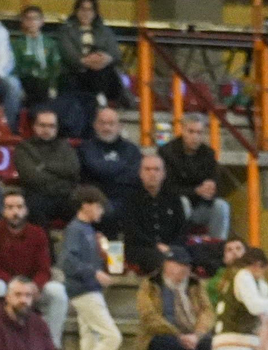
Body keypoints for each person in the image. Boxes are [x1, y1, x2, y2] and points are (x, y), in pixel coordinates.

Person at [0, 190, 67, 338]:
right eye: (10, 207)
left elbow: (44, 268)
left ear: (26, 210)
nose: (15, 212)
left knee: (57, 291)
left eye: (19, 207)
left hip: (33, 286)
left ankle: (53, 346)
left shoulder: (38, 233)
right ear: (2, 210)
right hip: (6, 284)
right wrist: (16, 286)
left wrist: (33, 286)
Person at [61, 186, 122, 350]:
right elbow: (68, 261)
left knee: (90, 338)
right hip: (84, 290)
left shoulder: (86, 230)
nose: (101, 211)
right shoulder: (76, 229)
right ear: (86, 206)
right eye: (98, 206)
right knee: (111, 336)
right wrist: (94, 273)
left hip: (87, 289)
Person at [138, 246, 215, 350]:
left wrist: (197, 335)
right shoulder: (151, 284)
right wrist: (178, 336)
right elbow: (149, 316)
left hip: (192, 337)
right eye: (180, 265)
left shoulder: (195, 284)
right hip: (163, 335)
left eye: (187, 265)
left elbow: (207, 312)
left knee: (212, 345)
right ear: (167, 265)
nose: (185, 269)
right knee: (167, 344)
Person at [159, 113, 232, 240]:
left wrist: (212, 187)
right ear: (182, 130)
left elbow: (217, 182)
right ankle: (178, 244)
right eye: (191, 131)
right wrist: (196, 191)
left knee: (221, 206)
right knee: (183, 202)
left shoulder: (208, 153)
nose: (195, 137)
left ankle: (218, 247)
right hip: (172, 206)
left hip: (200, 206)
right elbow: (166, 188)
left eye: (199, 133)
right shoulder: (167, 152)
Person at [57, 0, 126, 126]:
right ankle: (99, 100)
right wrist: (87, 61)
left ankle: (101, 100)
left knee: (104, 72)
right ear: (76, 11)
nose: (86, 13)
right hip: (75, 72)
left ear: (95, 12)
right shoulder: (66, 30)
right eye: (83, 9)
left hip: (101, 72)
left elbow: (115, 53)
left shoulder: (105, 31)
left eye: (90, 10)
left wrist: (105, 59)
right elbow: (68, 55)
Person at [77, 107, 141, 238]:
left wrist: (107, 172)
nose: (107, 128)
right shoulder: (86, 148)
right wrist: (120, 169)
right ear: (95, 125)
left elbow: (134, 175)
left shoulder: (131, 149)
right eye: (102, 123)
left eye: (111, 124)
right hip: (97, 197)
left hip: (126, 197)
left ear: (120, 126)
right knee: (107, 212)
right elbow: (95, 169)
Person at [13, 107, 80, 225]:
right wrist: (60, 177)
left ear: (57, 128)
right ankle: (45, 243)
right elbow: (31, 177)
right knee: (32, 209)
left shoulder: (64, 146)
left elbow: (73, 169)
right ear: (34, 126)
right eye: (42, 125)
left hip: (65, 196)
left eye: (51, 126)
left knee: (84, 208)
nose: (47, 129)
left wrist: (44, 165)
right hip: (37, 196)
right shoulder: (24, 148)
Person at [124, 154, 186, 274]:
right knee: (160, 258)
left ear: (164, 174)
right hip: (142, 248)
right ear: (140, 173)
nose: (152, 173)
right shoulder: (131, 199)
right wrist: (156, 245)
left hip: (170, 247)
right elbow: (132, 231)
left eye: (156, 169)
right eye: (147, 169)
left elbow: (181, 227)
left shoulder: (173, 198)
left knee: (185, 255)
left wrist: (170, 247)